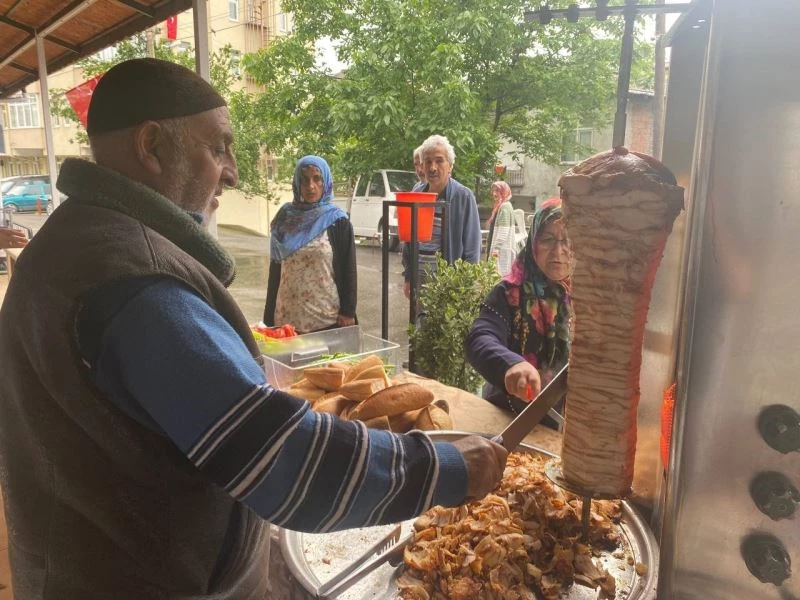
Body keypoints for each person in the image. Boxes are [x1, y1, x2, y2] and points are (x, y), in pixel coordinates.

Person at [0, 58, 507, 600]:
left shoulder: (76, 237)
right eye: (218, 147)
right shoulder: (131, 280)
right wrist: (444, 469)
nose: (234, 170)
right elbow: (282, 457)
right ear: (151, 147)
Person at [464, 198, 573, 416]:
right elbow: (480, 337)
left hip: (569, 427)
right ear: (533, 242)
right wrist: (511, 365)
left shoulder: (592, 298)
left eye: (568, 241)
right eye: (548, 239)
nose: (558, 251)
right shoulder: (509, 294)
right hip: (511, 416)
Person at [263, 155, 356, 333]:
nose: (310, 186)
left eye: (317, 178)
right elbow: (275, 270)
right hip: (286, 319)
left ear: (326, 181)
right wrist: (268, 318)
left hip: (325, 318)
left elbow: (349, 268)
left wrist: (348, 311)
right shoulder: (285, 218)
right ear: (297, 183)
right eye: (304, 180)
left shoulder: (337, 221)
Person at [402, 134, 482, 299]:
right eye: (428, 161)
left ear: (450, 165)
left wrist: (464, 287)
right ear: (422, 166)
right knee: (419, 324)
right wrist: (409, 277)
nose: (432, 167)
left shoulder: (463, 197)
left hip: (449, 283)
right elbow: (409, 242)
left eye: (439, 161)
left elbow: (472, 248)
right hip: (420, 280)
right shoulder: (416, 194)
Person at [485, 181, 516, 276]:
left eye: (497, 191)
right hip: (502, 250)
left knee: (499, 277)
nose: (494, 193)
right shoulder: (503, 206)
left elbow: (503, 231)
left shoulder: (505, 207)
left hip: (502, 251)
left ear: (504, 191)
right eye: (493, 191)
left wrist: (495, 250)